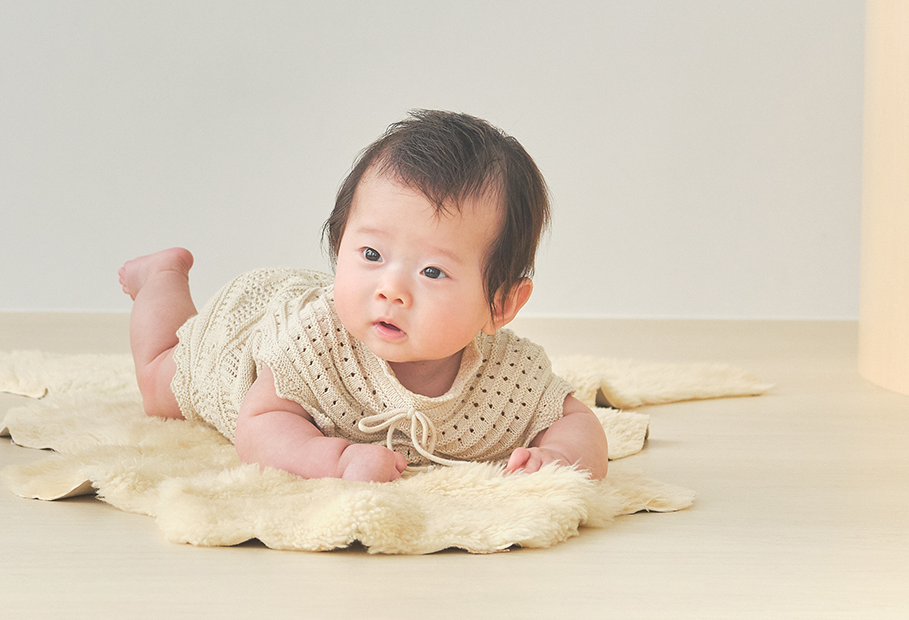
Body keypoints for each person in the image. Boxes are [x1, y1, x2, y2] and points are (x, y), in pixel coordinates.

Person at [116, 110, 606, 483]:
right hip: (248, 341)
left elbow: (575, 421)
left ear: (501, 305)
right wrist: (337, 457)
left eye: (432, 271)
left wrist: (558, 457)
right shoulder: (313, 343)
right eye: (371, 253)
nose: (389, 288)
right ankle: (160, 277)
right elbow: (260, 422)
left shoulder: (508, 377)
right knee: (162, 385)